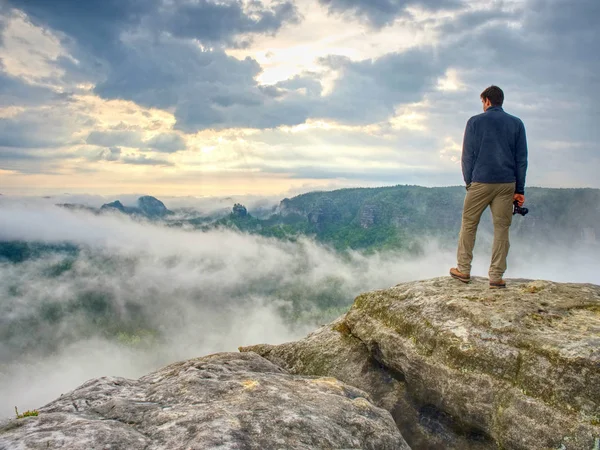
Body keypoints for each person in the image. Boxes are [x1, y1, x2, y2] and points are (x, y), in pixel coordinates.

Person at [450, 85, 528, 289]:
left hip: (481, 181)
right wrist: (520, 190)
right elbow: (521, 160)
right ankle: (496, 276)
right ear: (500, 101)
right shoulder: (516, 124)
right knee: (502, 228)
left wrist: (469, 182)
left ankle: (463, 269)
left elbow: (467, 156)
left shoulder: (475, 122)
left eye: (482, 101)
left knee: (469, 224)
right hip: (506, 184)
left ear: (486, 101)